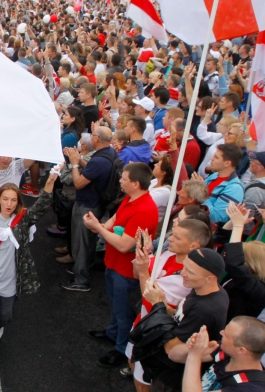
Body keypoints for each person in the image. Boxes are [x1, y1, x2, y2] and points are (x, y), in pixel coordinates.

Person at [0, 170, 56, 381]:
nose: (9, 204)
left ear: (18, 202)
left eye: (13, 200)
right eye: (5, 199)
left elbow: (41, 207)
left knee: (5, 316)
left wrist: (51, 181)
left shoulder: (22, 220)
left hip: (9, 281)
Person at [83, 162, 160, 368]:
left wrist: (98, 229)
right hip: (114, 264)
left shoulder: (144, 209)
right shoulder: (131, 198)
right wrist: (99, 226)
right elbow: (116, 219)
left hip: (126, 270)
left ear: (135, 183)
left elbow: (124, 245)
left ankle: (121, 349)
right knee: (116, 306)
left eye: (123, 179)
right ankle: (113, 333)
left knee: (123, 311)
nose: (120, 181)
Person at [126, 219, 211, 390]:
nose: (170, 239)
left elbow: (152, 302)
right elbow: (137, 274)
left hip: (154, 333)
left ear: (193, 246)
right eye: (173, 234)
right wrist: (144, 254)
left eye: (178, 238)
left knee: (144, 380)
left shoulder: (186, 279)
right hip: (142, 322)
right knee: (132, 362)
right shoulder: (167, 255)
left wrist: (144, 271)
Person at [142, 248, 230, 391]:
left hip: (171, 378)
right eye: (184, 267)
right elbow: (179, 315)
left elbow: (171, 348)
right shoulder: (204, 289)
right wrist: (162, 301)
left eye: (190, 272)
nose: (182, 274)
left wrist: (156, 304)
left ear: (210, 278)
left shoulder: (204, 310)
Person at [61, 126, 116, 292]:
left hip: (87, 205)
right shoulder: (109, 153)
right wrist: (80, 160)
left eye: (92, 135)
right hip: (96, 204)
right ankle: (84, 267)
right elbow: (92, 170)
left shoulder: (99, 160)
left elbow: (78, 183)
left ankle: (81, 278)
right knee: (87, 241)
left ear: (97, 139)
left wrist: (74, 164)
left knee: (82, 242)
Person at [222, 203, 265, 321]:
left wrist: (238, 226)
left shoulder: (261, 290)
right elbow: (224, 241)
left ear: (252, 263)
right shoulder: (248, 277)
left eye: (242, 255)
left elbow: (234, 263)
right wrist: (233, 223)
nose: (233, 255)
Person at [182, 318, 265, 392]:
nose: (221, 333)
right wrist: (192, 346)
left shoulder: (251, 388)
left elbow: (193, 358)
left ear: (241, 350)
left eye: (226, 335)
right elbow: (173, 355)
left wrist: (194, 356)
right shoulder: (227, 351)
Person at [199, 144, 245, 227]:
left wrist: (200, 190)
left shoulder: (235, 188)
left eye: (216, 157)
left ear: (227, 163)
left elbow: (216, 218)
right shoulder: (215, 175)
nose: (211, 159)